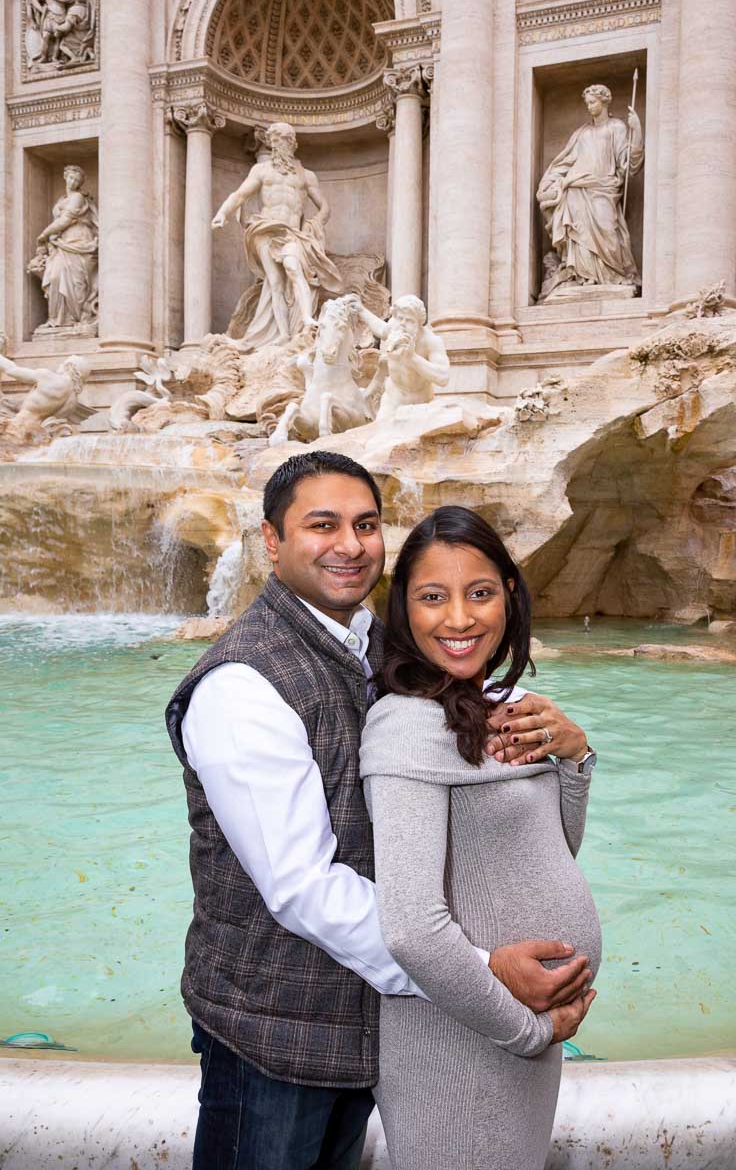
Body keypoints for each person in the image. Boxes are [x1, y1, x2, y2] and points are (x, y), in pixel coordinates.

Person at [165, 451, 594, 1170]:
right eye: (322, 525)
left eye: (366, 524)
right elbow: (303, 888)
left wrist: (571, 754)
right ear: (271, 541)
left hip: (376, 1025)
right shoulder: (242, 686)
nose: (350, 544)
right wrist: (485, 972)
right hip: (275, 1037)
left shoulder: (379, 650)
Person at [360, 505, 601, 1170]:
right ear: (403, 610)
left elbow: (550, 851)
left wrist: (575, 760)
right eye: (433, 598)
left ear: (511, 596)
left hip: (514, 1030)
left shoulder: (491, 704)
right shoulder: (406, 724)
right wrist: (527, 1033)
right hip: (461, 1044)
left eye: (481, 593)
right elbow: (409, 926)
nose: (460, 620)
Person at [211, 122, 342, 347]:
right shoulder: (261, 170)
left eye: (281, 140)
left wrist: (315, 224)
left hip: (292, 233)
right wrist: (222, 213)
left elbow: (325, 207)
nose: (277, 144)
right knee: (274, 283)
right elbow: (240, 195)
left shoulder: (306, 175)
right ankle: (283, 334)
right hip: (265, 229)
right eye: (274, 141)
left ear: (292, 143)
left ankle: (306, 319)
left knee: (293, 267)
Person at [537, 83, 643, 298]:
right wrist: (552, 183)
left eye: (593, 102)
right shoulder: (581, 133)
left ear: (604, 102)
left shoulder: (616, 127)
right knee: (579, 234)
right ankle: (583, 277)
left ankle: (612, 274)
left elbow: (628, 164)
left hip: (604, 188)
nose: (589, 107)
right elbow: (564, 162)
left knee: (608, 230)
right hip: (576, 189)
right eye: (587, 103)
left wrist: (637, 131)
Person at [27, 164, 98, 333]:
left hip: (79, 240)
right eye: (71, 178)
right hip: (61, 243)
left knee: (76, 281)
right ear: (65, 177)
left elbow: (66, 220)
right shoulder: (61, 200)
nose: (73, 182)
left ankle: (75, 317)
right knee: (55, 276)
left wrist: (43, 235)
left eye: (77, 180)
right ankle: (56, 319)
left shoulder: (78, 198)